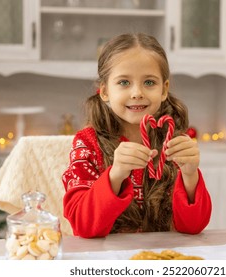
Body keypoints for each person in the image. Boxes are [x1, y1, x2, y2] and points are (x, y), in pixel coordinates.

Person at [62, 33, 212, 238]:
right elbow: (83, 226)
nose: (137, 93)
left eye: (149, 82)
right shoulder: (87, 143)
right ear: (104, 91)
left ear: (164, 89)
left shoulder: (173, 141)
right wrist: (116, 174)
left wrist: (190, 175)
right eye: (124, 82)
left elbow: (193, 227)